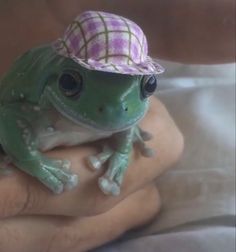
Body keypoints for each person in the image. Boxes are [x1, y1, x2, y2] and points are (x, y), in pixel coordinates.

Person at [0, 0, 234, 251]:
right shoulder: (41, 98)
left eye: (147, 86)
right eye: (71, 83)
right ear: (59, 79)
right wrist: (30, 158)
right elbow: (8, 115)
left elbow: (124, 116)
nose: (116, 107)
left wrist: (122, 151)